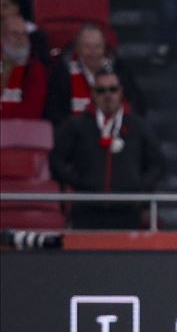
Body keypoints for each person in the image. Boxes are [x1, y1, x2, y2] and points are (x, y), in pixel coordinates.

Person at [49, 69, 164, 229]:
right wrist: (79, 181)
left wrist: (139, 187)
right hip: (86, 210)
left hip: (127, 212)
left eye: (113, 89)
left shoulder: (138, 127)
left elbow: (157, 164)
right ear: (93, 94)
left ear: (121, 92)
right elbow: (56, 160)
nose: (107, 95)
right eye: (101, 90)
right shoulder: (76, 126)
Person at [45, 23, 145, 127]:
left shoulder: (119, 69)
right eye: (87, 47)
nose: (93, 53)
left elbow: (137, 105)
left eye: (98, 46)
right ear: (77, 49)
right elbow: (55, 112)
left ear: (104, 47)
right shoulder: (62, 73)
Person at [0, 13, 46, 118]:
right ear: (2, 36)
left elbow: (32, 112)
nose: (20, 39)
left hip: (21, 130)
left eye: (24, 34)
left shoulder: (35, 69)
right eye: (14, 34)